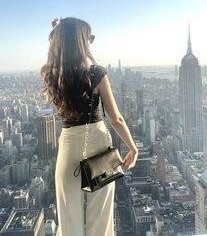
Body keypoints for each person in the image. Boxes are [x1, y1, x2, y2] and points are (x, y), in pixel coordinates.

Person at [40, 17, 138, 236]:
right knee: (101, 220)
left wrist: (56, 33)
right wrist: (133, 147)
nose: (90, 43)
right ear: (82, 42)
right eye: (88, 38)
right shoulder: (97, 74)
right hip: (98, 144)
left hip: (68, 147)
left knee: (68, 221)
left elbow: (53, 54)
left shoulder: (52, 74)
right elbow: (116, 119)